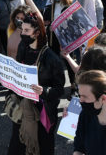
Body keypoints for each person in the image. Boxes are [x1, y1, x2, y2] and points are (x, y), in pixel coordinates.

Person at [8, 12, 65, 155]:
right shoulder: (23, 47)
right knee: (18, 145)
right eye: (22, 30)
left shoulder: (52, 59)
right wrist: (5, 72)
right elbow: (17, 70)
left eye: (27, 31)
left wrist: (44, 91)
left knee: (42, 147)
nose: (23, 34)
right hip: (24, 108)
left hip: (42, 113)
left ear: (37, 33)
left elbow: (59, 90)